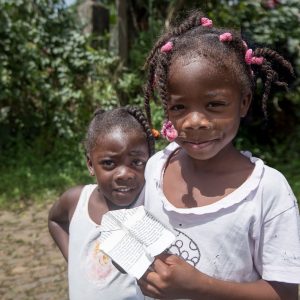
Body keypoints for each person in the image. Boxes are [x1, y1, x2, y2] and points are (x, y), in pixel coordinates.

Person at [138, 10, 300, 300]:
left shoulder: (267, 192)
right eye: (179, 107)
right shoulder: (154, 169)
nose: (194, 121)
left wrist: (199, 286)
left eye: (214, 104)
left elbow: (286, 292)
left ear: (243, 102)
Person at [48, 106, 155, 300]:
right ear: (90, 164)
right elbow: (55, 221)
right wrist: (74, 260)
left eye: (137, 162)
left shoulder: (148, 204)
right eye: (109, 163)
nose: (124, 174)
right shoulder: (75, 201)